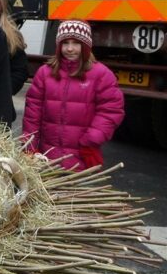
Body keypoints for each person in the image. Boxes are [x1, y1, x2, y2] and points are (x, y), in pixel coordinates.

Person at [22, 20, 124, 170]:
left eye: (76, 43)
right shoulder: (45, 73)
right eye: (65, 43)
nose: (70, 49)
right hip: (46, 158)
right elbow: (32, 114)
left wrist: (91, 139)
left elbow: (111, 110)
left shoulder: (101, 74)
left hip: (81, 158)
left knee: (76, 192)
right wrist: (29, 147)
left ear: (86, 46)